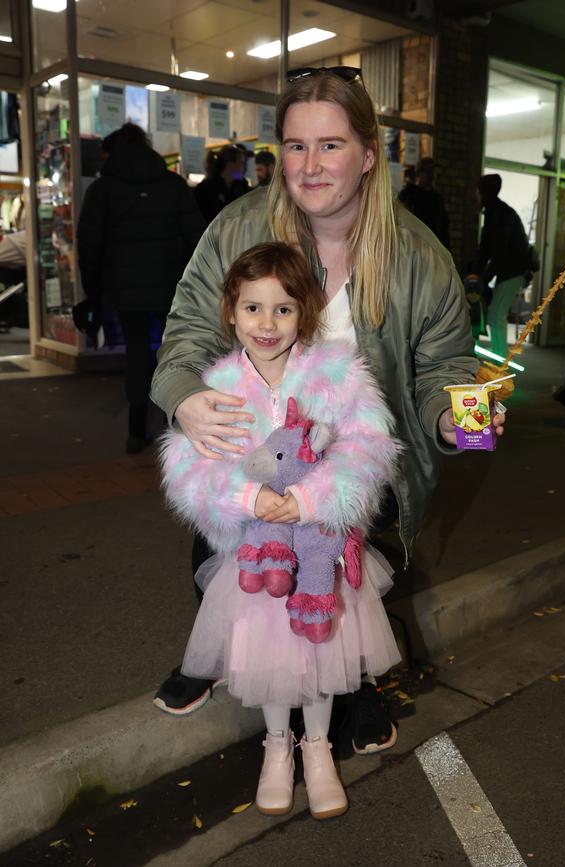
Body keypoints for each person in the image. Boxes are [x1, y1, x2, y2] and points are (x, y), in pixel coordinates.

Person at [150, 66, 506, 750]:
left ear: (370, 154)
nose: (309, 167)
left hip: (354, 455)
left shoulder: (419, 259)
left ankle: (355, 683)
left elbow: (444, 369)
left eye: (331, 145)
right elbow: (190, 327)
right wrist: (184, 395)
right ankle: (216, 651)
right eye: (294, 145)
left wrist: (455, 418)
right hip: (255, 437)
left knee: (340, 577)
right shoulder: (238, 226)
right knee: (229, 556)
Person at [161, 241, 401, 819]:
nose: (266, 324)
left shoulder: (336, 375)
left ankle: (317, 748)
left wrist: (309, 499)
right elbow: (192, 467)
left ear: (307, 313)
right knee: (269, 661)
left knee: (322, 653)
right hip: (255, 557)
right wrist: (249, 497)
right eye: (252, 308)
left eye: (284, 309)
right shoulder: (214, 387)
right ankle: (277, 748)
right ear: (230, 312)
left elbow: (366, 450)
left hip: (318, 548)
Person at [77, 122, 205, 453]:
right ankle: (177, 424)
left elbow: (89, 247)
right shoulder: (173, 186)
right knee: (175, 350)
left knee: (136, 353)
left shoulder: (103, 190)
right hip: (171, 287)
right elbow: (197, 241)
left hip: (124, 289)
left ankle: (137, 430)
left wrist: (93, 292)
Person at [469, 173, 531, 360]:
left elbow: (497, 251)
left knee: (496, 315)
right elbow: (487, 249)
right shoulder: (497, 212)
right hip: (512, 270)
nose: (476, 196)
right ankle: (499, 359)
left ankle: (500, 362)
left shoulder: (499, 215)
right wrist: (477, 273)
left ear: (484, 193)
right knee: (496, 315)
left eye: (478, 192)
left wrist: (482, 277)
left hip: (513, 271)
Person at [398, 156, 450, 249]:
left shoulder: (436, 199)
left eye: (433, 172)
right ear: (419, 173)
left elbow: (443, 229)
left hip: (433, 250)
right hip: (414, 249)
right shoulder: (408, 195)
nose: (432, 176)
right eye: (428, 172)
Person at [193, 144, 250, 224]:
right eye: (241, 162)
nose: (244, 167)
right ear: (230, 164)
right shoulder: (206, 189)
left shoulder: (241, 186)